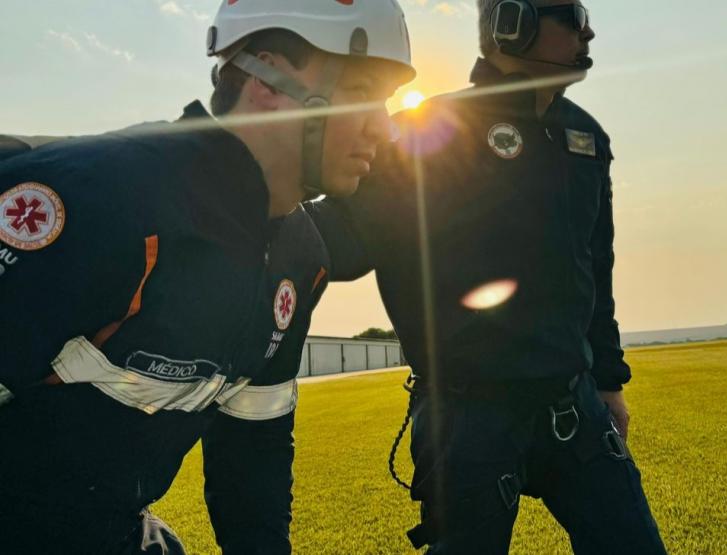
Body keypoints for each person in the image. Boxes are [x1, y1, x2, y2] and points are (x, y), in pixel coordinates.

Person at [0, 1, 415, 552]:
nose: (384, 129)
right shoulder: (102, 199)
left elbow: (252, 460)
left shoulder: (301, 256)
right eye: (362, 92)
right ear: (267, 80)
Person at [307, 1, 667, 552]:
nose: (588, 31)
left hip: (572, 404)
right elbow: (337, 238)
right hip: (467, 418)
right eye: (572, 16)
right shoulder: (425, 133)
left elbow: (596, 270)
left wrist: (609, 382)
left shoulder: (585, 139)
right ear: (512, 24)